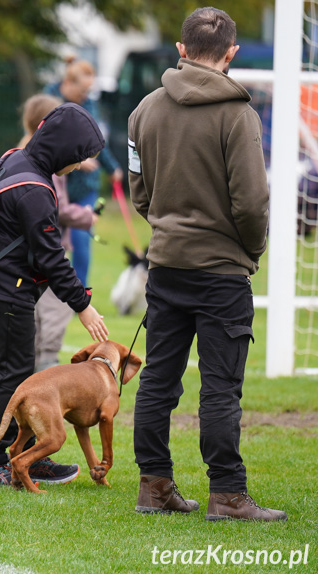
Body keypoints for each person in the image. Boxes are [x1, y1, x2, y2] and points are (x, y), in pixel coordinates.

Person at [128, 7, 284, 521]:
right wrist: (250, 250)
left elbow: (140, 194)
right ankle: (228, 495)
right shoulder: (239, 113)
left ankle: (154, 486)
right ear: (232, 54)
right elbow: (252, 204)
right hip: (222, 273)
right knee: (220, 386)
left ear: (180, 49)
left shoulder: (143, 111)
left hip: (166, 267)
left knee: (158, 381)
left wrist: (170, 228)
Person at [0, 102, 109, 487]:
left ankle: (25, 455)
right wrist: (84, 306)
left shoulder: (16, 160)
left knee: (19, 371)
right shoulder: (35, 189)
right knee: (12, 374)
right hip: (5, 289)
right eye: (78, 158)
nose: (77, 167)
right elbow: (51, 258)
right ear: (63, 149)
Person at [18, 94, 98, 372]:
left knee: (36, 317)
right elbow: (58, 209)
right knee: (55, 309)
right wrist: (88, 216)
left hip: (28, 260)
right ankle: (47, 367)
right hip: (45, 254)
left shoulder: (19, 156)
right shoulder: (44, 167)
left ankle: (35, 366)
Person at [44, 59, 123, 286]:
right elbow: (44, 141)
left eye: (89, 91)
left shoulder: (89, 104)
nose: (85, 95)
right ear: (67, 83)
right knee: (53, 242)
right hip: (57, 187)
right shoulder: (48, 101)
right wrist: (77, 158)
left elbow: (98, 140)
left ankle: (79, 294)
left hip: (85, 187)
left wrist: (112, 168)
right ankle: (51, 293)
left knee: (81, 239)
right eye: (82, 91)